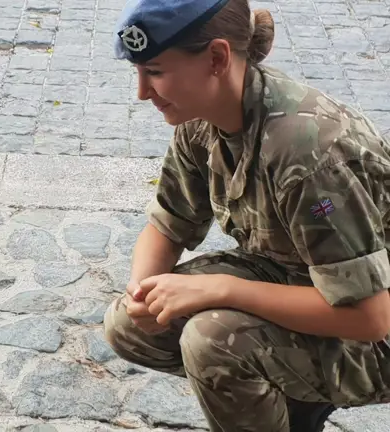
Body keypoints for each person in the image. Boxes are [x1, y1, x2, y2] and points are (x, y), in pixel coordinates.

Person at [103, 0, 390, 431]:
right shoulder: (201, 119)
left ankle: (291, 396)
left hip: (374, 331)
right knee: (131, 325)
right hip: (297, 280)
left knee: (214, 341)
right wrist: (142, 293)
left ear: (217, 58)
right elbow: (168, 221)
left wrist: (224, 290)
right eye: (138, 73)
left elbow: (369, 318)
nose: (143, 92)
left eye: (156, 72)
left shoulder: (309, 153)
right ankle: (289, 391)